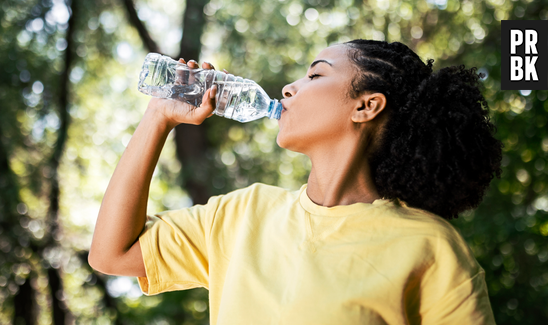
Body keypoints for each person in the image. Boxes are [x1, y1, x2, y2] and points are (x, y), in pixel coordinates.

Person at [88, 40, 502, 324]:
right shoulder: (241, 213)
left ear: (366, 105)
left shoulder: (430, 247)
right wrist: (158, 117)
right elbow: (111, 254)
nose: (289, 88)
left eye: (316, 76)